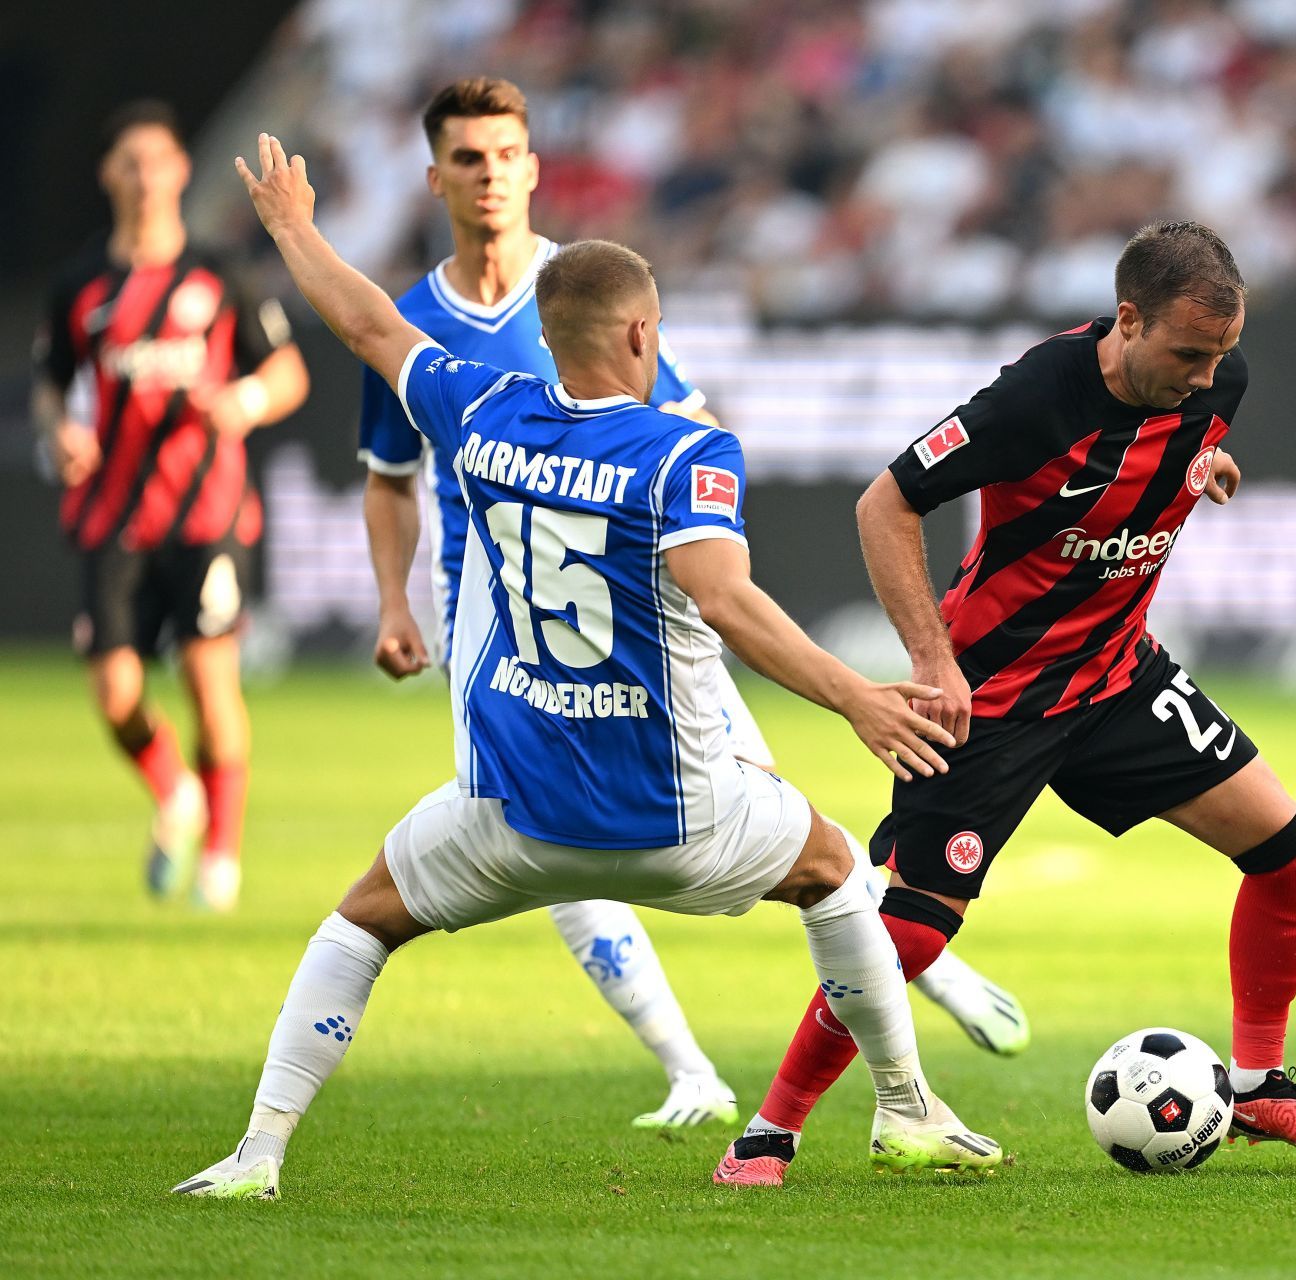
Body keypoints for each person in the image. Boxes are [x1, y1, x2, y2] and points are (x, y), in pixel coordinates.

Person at [172, 134, 1001, 1200]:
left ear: (547, 339)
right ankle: (905, 1107)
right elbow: (727, 598)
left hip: (514, 819)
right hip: (684, 821)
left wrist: (292, 226)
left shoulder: (478, 407)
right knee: (837, 870)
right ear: (646, 331)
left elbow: (369, 321)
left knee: (361, 919)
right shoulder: (684, 451)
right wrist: (854, 694)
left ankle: (258, 1152)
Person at [355, 78, 1028, 1131]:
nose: (489, 176)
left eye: (505, 154)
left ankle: (907, 963)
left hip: (648, 606)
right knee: (558, 834)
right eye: (468, 158)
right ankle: (691, 1065)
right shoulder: (415, 322)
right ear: (434, 175)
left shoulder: (587, 291)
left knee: (752, 793)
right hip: (496, 618)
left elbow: (682, 417)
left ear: (532, 166)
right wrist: (396, 599)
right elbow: (391, 474)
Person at [715, 221, 1296, 1185]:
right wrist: (932, 660)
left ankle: (1262, 1080)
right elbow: (884, 504)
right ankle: (767, 1134)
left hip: (1116, 678)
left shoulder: (1213, 381)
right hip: (995, 699)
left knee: (1290, 850)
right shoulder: (1034, 399)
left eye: (1219, 356)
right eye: (1187, 354)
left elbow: (1172, 449)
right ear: (1129, 320)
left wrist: (1202, 473)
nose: (1205, 377)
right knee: (911, 930)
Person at [31, 101, 310, 912]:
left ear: (183, 171)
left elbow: (287, 372)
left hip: (206, 514)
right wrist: (62, 433)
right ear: (109, 176)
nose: (147, 176)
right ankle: (175, 793)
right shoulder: (80, 285)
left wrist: (242, 401)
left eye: (159, 159)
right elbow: (50, 383)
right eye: (131, 162)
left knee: (208, 677)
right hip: (114, 514)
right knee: (115, 695)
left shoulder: (220, 272)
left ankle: (220, 857)